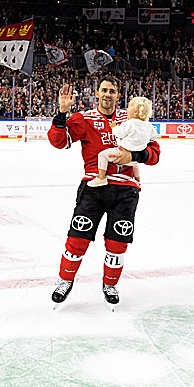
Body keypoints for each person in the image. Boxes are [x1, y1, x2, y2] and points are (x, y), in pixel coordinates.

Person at [47, 74, 161, 310]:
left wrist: (135, 156)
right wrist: (62, 113)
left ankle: (110, 285)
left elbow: (155, 153)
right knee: (77, 239)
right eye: (104, 90)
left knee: (117, 243)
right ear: (97, 94)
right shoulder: (84, 118)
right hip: (94, 187)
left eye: (112, 91)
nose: (107, 94)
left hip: (126, 190)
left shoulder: (131, 117)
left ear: (118, 96)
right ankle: (65, 281)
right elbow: (58, 142)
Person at [88, 96, 156, 187]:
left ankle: (101, 177)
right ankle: (138, 181)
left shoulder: (130, 123)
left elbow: (119, 133)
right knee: (135, 165)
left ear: (136, 111)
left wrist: (114, 127)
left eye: (129, 106)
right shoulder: (148, 125)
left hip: (121, 152)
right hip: (134, 157)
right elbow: (153, 137)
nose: (127, 109)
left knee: (102, 155)